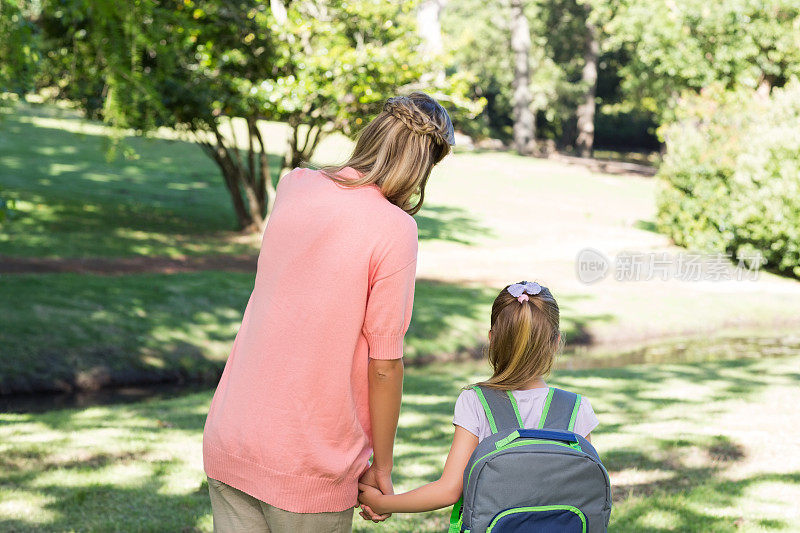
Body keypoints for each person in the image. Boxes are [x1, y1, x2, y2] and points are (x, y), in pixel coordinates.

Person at [202, 92, 455, 532]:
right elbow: (385, 366)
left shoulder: (295, 184)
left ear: (374, 133)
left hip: (232, 435)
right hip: (309, 461)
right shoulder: (396, 230)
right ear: (423, 165)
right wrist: (383, 467)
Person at [357, 281, 599, 516]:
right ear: (556, 342)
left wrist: (384, 503)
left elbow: (449, 490)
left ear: (492, 339)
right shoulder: (577, 408)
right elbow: (589, 492)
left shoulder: (476, 402)